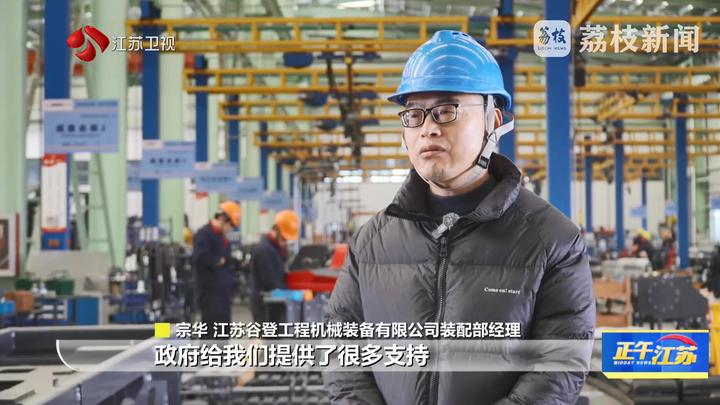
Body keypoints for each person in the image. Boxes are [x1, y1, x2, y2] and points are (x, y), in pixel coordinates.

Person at [323, 31, 595, 405]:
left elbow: (559, 366)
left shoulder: (552, 241)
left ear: (492, 120)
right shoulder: (371, 242)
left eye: (446, 110)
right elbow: (342, 351)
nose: (428, 128)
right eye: (414, 114)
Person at [192, 200, 242, 327]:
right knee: (212, 332)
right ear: (222, 218)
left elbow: (226, 259)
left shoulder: (221, 237)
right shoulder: (204, 234)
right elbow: (201, 257)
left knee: (224, 331)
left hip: (223, 295)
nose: (230, 229)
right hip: (210, 296)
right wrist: (219, 260)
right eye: (230, 225)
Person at [249, 209, 300, 323]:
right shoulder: (264, 250)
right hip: (265, 306)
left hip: (275, 304)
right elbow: (270, 283)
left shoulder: (276, 249)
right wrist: (293, 294)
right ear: (276, 230)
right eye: (284, 238)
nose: (285, 242)